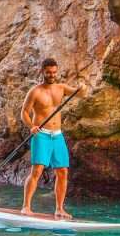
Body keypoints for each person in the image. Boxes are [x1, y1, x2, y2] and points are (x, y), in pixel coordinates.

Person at [20, 58, 86, 219]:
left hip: (57, 135)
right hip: (41, 135)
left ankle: (59, 209)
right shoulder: (35, 92)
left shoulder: (61, 88)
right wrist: (31, 126)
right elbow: (24, 113)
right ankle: (26, 207)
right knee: (37, 170)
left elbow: (81, 94)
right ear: (42, 71)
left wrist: (82, 87)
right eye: (48, 72)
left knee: (62, 171)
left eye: (54, 72)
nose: (52, 75)